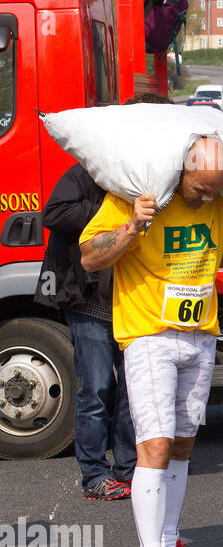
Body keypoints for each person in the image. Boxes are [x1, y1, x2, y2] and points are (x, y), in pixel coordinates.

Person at [80, 137, 223, 547]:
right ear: (180, 171)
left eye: (215, 190)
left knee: (183, 444)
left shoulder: (218, 199)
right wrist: (132, 226)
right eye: (200, 188)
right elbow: (90, 256)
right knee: (156, 445)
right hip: (149, 336)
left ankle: (170, 546)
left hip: (201, 335)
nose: (207, 198)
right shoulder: (136, 195)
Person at [39, 163, 136, 501]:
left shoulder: (143, 174)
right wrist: (112, 212)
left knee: (132, 392)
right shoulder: (87, 171)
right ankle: (95, 475)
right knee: (95, 390)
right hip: (88, 300)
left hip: (132, 299)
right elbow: (54, 212)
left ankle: (130, 470)